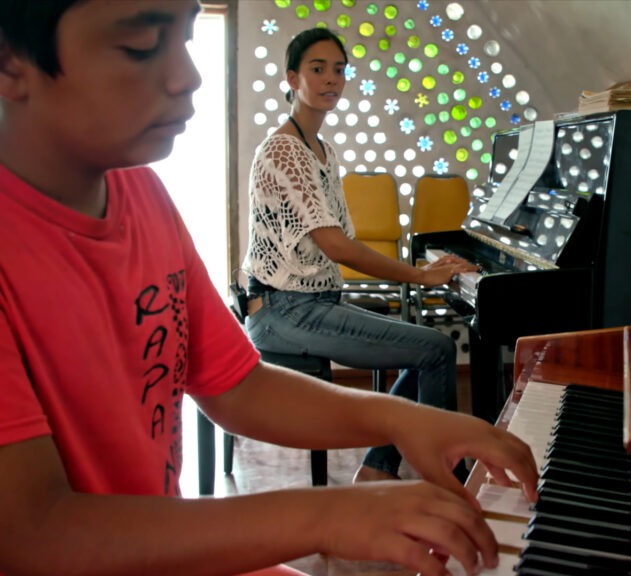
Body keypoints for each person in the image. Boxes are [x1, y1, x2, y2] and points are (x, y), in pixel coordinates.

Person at [0, 2, 537, 576]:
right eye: (141, 45)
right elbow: (31, 534)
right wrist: (327, 516)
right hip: (289, 309)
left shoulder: (142, 192)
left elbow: (236, 386)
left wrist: (402, 419)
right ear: (9, 60)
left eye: (183, 38)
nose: (189, 76)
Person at [243, 27, 478, 484]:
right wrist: (418, 276)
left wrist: (420, 273)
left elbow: (338, 245)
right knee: (434, 349)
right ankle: (447, 481)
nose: (331, 79)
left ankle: (378, 467)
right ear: (292, 78)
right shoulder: (283, 151)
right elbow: (336, 246)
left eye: (339, 70)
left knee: (430, 349)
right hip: (282, 311)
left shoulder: (322, 151)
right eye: (317, 69)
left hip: (314, 304)